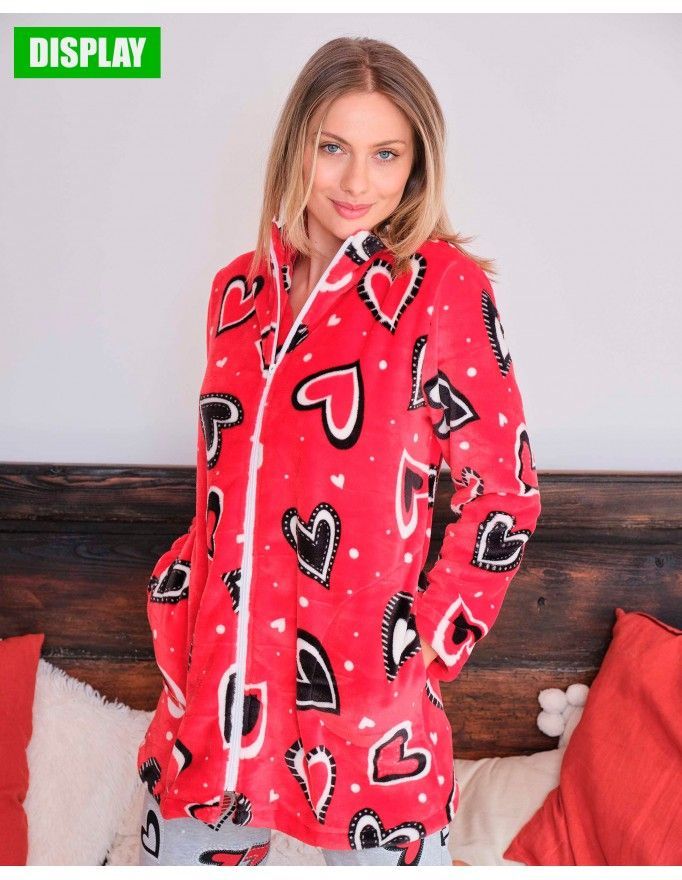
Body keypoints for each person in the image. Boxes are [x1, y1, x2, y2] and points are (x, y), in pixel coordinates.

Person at [136, 35, 542, 867]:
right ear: (296, 148)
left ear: (416, 165)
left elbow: (504, 493)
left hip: (368, 708)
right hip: (220, 688)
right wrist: (182, 599)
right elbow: (225, 483)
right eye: (333, 148)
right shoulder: (236, 293)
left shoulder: (442, 289)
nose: (358, 182)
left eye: (385, 153)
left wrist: (419, 647)